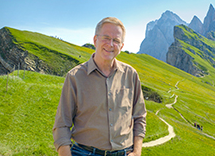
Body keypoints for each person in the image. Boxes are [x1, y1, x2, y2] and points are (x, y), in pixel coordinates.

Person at [53, 17, 147, 156]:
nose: (110, 44)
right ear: (95, 40)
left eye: (116, 41)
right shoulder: (74, 77)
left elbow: (140, 117)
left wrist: (137, 152)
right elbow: (62, 124)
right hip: (84, 152)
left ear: (121, 46)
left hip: (124, 153)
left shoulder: (130, 75)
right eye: (106, 38)